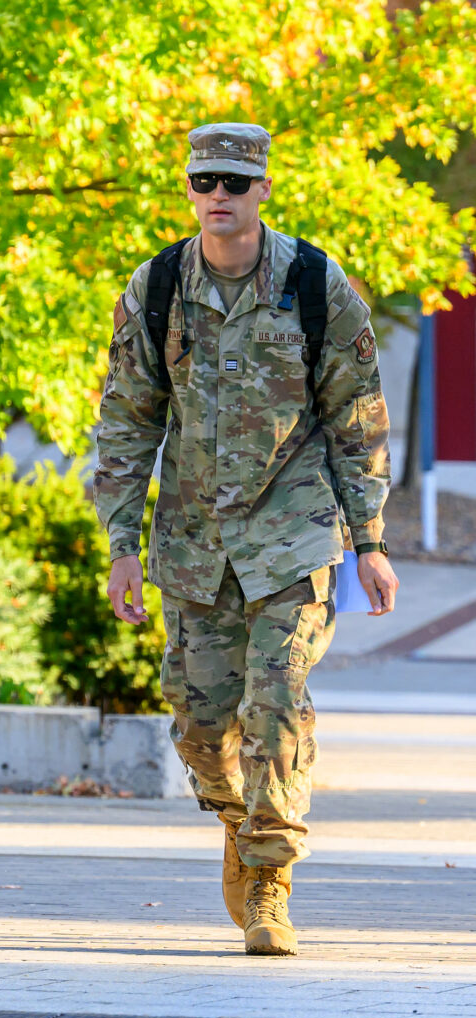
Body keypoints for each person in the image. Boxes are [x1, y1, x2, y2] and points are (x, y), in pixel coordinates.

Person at [94, 124, 398, 956]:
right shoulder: (156, 287)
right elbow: (125, 420)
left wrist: (367, 539)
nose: (218, 195)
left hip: (292, 532)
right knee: (197, 725)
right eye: (204, 181)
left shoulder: (311, 283)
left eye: (235, 180)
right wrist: (122, 542)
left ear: (263, 188)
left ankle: (270, 878)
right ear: (189, 190)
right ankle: (236, 819)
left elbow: (355, 415)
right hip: (192, 539)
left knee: (275, 703)